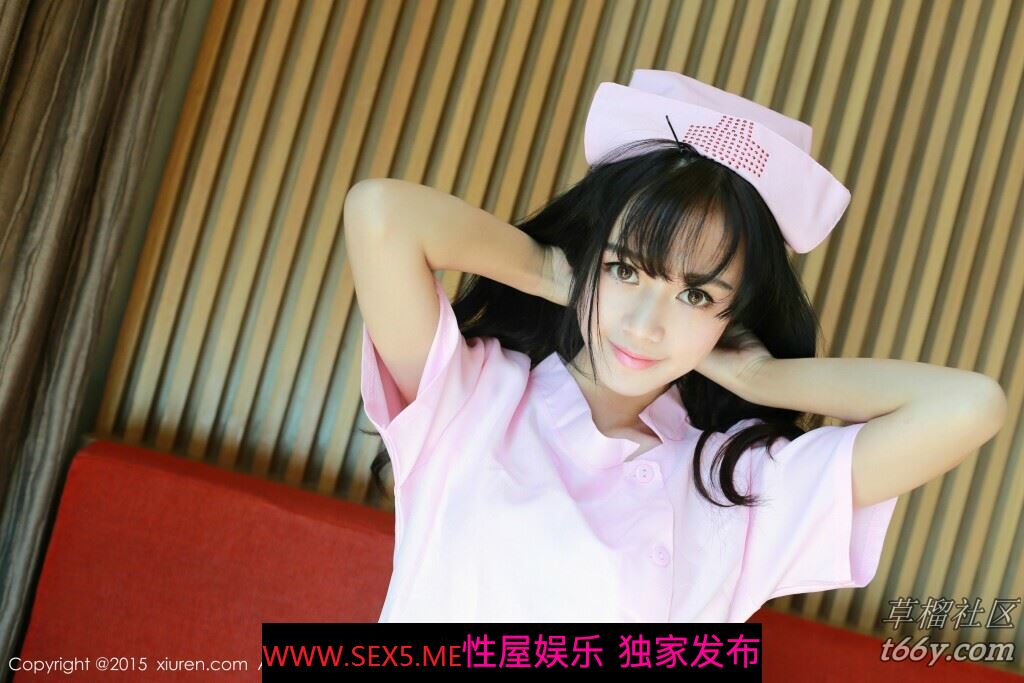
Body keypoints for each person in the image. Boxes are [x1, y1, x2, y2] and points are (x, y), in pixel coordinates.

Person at [342, 72, 1008, 623]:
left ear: (736, 315)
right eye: (625, 269)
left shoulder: (739, 482)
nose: (644, 325)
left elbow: (970, 406)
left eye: (696, 295)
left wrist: (762, 379)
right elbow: (380, 213)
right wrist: (558, 274)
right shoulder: (472, 397)